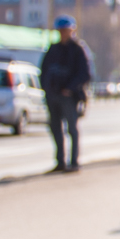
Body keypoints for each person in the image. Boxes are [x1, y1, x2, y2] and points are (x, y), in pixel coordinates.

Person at [40, 15, 92, 173]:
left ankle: (74, 162)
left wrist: (70, 88)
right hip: (53, 95)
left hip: (70, 96)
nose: (63, 33)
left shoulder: (78, 50)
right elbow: (44, 71)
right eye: (61, 30)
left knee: (72, 129)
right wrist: (47, 88)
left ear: (72, 30)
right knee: (55, 128)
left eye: (66, 30)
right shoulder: (53, 49)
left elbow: (85, 74)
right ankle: (60, 161)